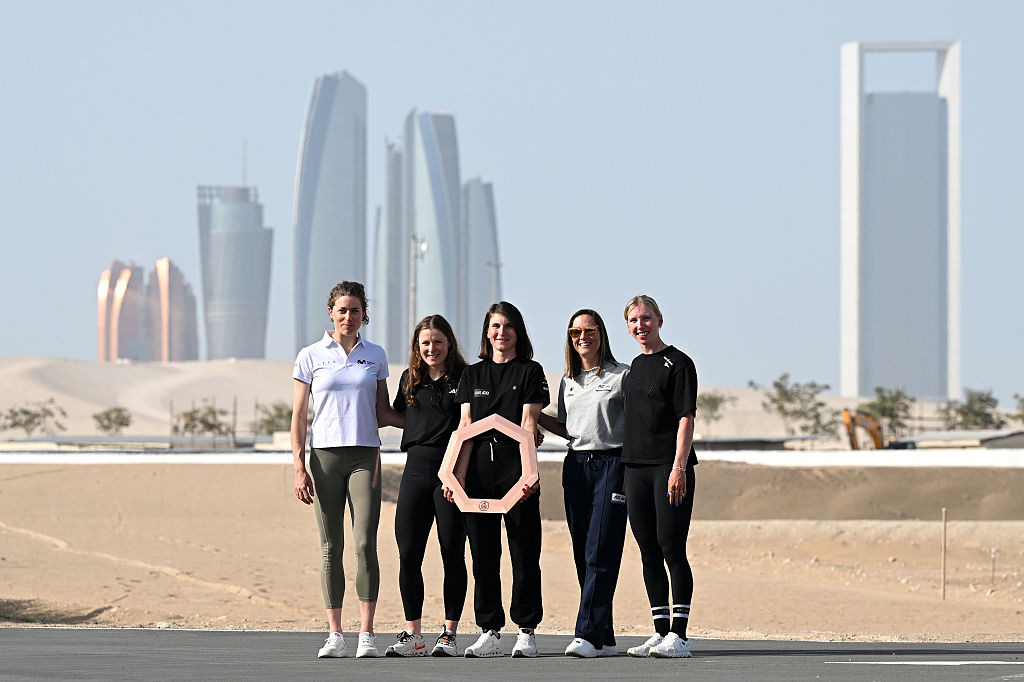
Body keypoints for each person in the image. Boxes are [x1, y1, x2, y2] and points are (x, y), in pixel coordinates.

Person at [291, 281, 394, 659]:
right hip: (324, 460)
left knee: (365, 543)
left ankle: (366, 632)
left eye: (355, 310)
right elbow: (299, 415)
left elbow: (383, 412)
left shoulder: (376, 355)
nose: (348, 317)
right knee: (330, 546)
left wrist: (428, 423)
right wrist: (299, 467)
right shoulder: (310, 355)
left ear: (364, 313)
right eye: (342, 310)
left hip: (366, 456)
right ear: (330, 313)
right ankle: (335, 633)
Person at [445, 301, 549, 658]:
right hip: (476, 479)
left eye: (507, 326)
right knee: (483, 557)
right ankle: (489, 629)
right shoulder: (472, 376)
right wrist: (453, 476)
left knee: (524, 554)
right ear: (486, 332)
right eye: (494, 326)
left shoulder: (530, 372)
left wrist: (529, 477)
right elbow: (464, 429)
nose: (500, 332)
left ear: (517, 331)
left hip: (518, 477)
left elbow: (530, 426)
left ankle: (526, 629)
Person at [537, 309, 629, 658]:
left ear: (601, 334)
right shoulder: (568, 380)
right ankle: (605, 636)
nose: (582, 337)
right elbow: (569, 426)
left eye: (589, 330)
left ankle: (586, 634)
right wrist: (534, 418)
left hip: (612, 464)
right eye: (575, 332)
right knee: (582, 552)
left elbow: (634, 426)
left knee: (600, 548)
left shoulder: (622, 377)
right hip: (576, 465)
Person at [384, 315, 468, 658]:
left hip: (449, 475)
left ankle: (449, 634)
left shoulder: (463, 378)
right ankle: (413, 634)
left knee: (452, 554)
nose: (431, 348)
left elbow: (469, 426)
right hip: (414, 472)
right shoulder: (409, 379)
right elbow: (395, 416)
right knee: (408, 555)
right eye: (424, 343)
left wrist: (457, 473)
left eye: (437, 342)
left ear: (449, 343)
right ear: (417, 348)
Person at [620, 294, 698, 659]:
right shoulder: (633, 367)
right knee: (647, 551)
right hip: (635, 469)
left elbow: (686, 418)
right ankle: (660, 630)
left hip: (669, 469)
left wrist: (678, 467)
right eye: (634, 320)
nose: (641, 326)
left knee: (671, 548)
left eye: (646, 318)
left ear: (660, 320)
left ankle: (679, 637)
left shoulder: (679, 363)